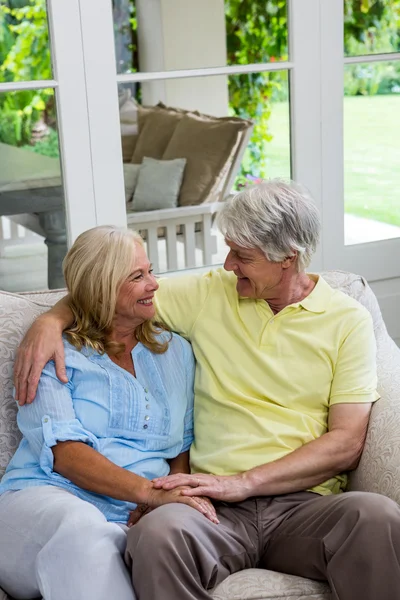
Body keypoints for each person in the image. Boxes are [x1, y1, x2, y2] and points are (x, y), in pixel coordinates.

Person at [13, 180, 400, 600]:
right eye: (229, 249)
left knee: (376, 515)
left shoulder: (347, 320)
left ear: (287, 258)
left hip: (302, 505)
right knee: (158, 534)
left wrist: (247, 481)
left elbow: (346, 442)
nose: (228, 264)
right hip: (212, 509)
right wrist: (49, 320)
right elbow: (108, 293)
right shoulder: (208, 294)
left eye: (243, 256)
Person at [0, 226, 217, 600]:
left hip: (131, 516)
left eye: (150, 271)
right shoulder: (53, 351)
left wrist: (164, 503)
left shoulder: (176, 351)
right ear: (102, 287)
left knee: (129, 541)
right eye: (138, 276)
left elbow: (180, 448)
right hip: (44, 504)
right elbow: (65, 454)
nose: (154, 284)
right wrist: (149, 493)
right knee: (84, 530)